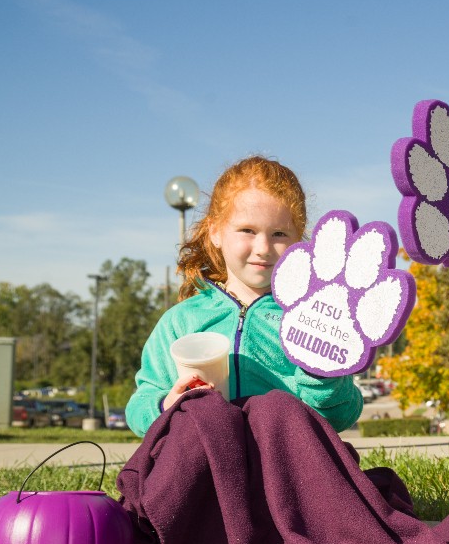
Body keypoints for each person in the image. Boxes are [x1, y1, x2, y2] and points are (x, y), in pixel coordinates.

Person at [125, 156, 363, 437]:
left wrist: (322, 377)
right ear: (215, 232)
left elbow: (342, 416)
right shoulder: (180, 322)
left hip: (284, 462)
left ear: (299, 240)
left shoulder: (310, 319)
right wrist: (166, 406)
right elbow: (139, 407)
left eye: (279, 233)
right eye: (247, 231)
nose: (263, 247)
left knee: (275, 408)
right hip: (206, 462)